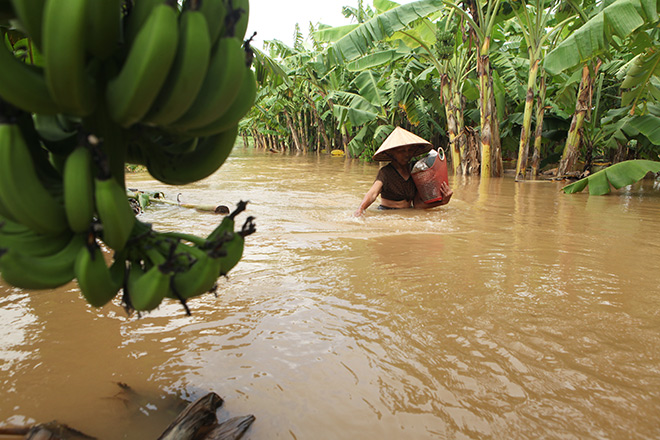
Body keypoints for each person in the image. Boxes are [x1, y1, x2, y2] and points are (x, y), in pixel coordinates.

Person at [354, 128, 453, 217]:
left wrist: (443, 201)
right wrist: (360, 209)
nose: (406, 154)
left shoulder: (415, 170)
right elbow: (372, 194)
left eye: (409, 150)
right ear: (391, 153)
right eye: (401, 151)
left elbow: (418, 205)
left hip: (408, 212)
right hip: (387, 213)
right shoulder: (385, 172)